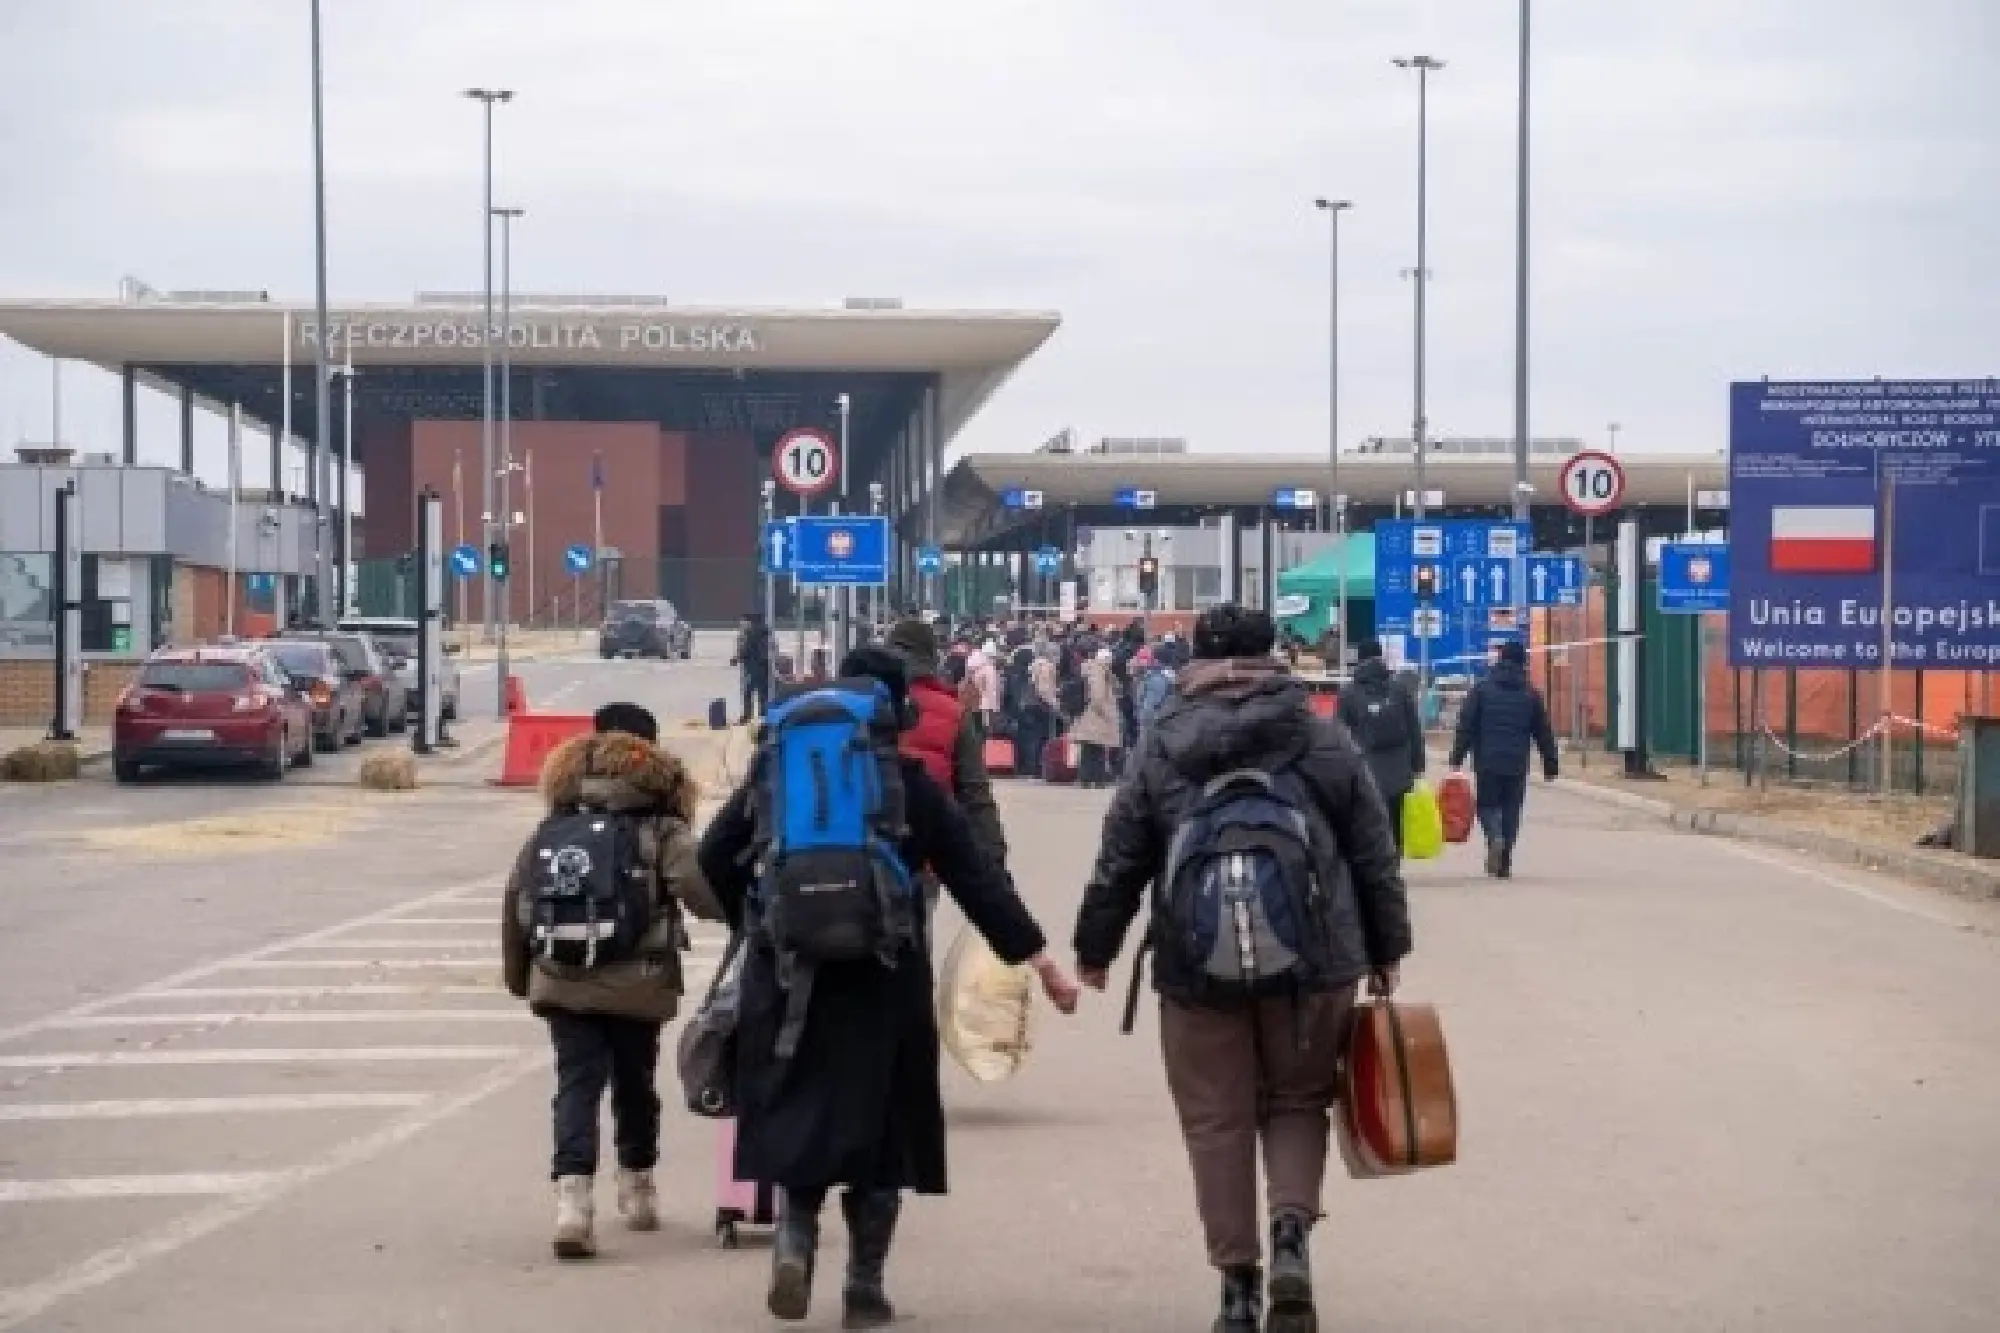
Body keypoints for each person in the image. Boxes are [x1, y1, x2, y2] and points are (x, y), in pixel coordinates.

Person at [697, 646, 1080, 1328]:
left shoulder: (776, 769)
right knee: (884, 1126)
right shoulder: (906, 782)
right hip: (885, 973)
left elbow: (713, 855)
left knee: (800, 1109)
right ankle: (864, 1284)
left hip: (788, 973)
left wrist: (753, 921)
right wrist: (1040, 961)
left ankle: (794, 1236)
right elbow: (977, 879)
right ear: (893, 709)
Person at [1071, 605, 1412, 1333]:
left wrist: (1094, 951)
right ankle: (1291, 1234)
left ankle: (1237, 1285)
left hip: (1195, 967)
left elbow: (1121, 856)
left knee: (1215, 1119)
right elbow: (1371, 854)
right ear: (1273, 655)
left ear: (1196, 658)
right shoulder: (1320, 737)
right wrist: (1387, 950)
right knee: (1298, 1099)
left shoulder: (1164, 743)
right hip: (1316, 958)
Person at [501, 701, 723, 1259]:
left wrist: (521, 978)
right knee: (634, 1082)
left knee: (576, 1085)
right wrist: (747, 915)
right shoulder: (662, 825)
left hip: (561, 976)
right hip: (638, 980)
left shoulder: (555, 824)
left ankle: (573, 1203)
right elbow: (701, 895)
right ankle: (637, 1185)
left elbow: (516, 900)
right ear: (651, 753)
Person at [884, 618, 1009, 865]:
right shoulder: (953, 714)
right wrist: (994, 857)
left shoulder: (856, 705)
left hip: (861, 856)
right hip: (923, 851)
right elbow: (975, 795)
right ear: (931, 658)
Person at [1448, 639, 1560, 878]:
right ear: (1523, 663)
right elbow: (1543, 732)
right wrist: (1550, 764)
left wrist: (1456, 757)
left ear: (1500, 660)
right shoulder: (1531, 694)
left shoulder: (1482, 690)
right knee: (1511, 810)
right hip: (1516, 764)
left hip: (1487, 761)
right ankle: (1505, 859)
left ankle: (1495, 837)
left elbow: (1465, 725)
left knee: (1487, 806)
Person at [1337, 641, 1427, 854]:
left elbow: (1339, 732)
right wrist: (1417, 763)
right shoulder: (1399, 689)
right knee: (1396, 815)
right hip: (1399, 767)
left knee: (1369, 816)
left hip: (1364, 766)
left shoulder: (1349, 693)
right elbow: (1413, 729)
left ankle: (1377, 857)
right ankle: (1394, 854)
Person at [1070, 645, 1125, 788]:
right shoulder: (1098, 671)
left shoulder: (1096, 670)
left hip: (1091, 714)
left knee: (1090, 748)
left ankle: (1086, 779)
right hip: (1097, 715)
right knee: (1097, 749)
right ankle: (1096, 779)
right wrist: (1105, 713)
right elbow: (1098, 695)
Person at [731, 612, 777, 723]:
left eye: (743, 621)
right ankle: (764, 715)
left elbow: (745, 649)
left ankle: (748, 716)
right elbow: (773, 648)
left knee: (748, 692)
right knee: (762, 693)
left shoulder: (750, 634)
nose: (741, 623)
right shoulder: (765, 633)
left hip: (753, 666)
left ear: (750, 622)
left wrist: (736, 658)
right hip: (763, 665)